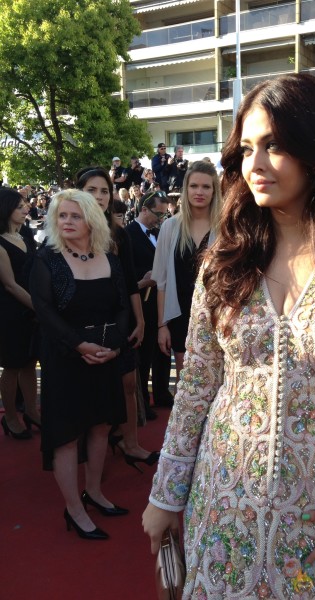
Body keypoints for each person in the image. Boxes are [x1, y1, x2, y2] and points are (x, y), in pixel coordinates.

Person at [142, 74, 315, 598]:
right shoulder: (225, 261)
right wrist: (167, 493)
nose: (255, 164)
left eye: (274, 145)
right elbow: (197, 385)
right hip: (224, 504)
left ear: (314, 145)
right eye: (248, 147)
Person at [30, 190, 129, 540]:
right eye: (62, 216)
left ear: (91, 219)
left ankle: (95, 493)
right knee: (67, 437)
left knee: (101, 427)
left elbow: (122, 306)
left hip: (104, 355)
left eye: (75, 216)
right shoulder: (47, 259)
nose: (67, 222)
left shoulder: (109, 257)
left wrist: (113, 345)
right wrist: (79, 345)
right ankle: (74, 509)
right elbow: (43, 311)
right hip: (64, 358)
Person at [74, 167, 159, 466]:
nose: (99, 196)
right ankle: (86, 444)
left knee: (128, 383)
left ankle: (130, 442)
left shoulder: (118, 233)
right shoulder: (69, 230)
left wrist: (141, 320)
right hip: (82, 323)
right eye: (91, 190)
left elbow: (127, 284)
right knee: (88, 388)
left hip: (119, 319)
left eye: (104, 191)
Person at [153, 160, 221, 380]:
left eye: (205, 186)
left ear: (214, 191)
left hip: (217, 317)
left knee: (218, 383)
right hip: (179, 315)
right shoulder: (170, 227)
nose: (199, 192)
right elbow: (161, 282)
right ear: (185, 189)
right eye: (193, 186)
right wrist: (162, 326)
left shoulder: (226, 228)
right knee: (186, 385)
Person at [126, 191, 173, 412]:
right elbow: (124, 273)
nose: (161, 219)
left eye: (164, 215)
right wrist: (143, 280)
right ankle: (142, 401)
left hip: (161, 301)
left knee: (163, 349)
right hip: (141, 304)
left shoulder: (158, 233)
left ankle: (162, 393)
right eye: (158, 213)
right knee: (144, 355)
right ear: (144, 209)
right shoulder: (128, 234)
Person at [0, 188, 40, 439]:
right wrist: (40, 306)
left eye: (25, 204)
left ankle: (32, 412)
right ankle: (11, 417)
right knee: (13, 366)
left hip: (30, 311)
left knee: (29, 363)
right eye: (19, 206)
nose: (26, 208)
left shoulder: (25, 235)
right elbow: (10, 285)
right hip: (10, 313)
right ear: (6, 210)